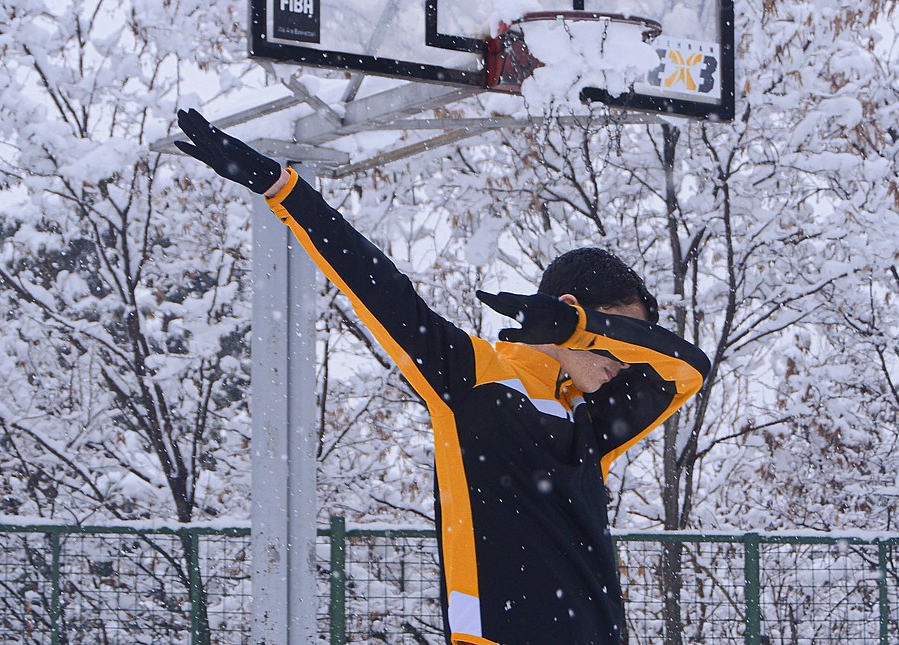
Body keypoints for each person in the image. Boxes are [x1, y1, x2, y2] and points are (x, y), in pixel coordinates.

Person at [176, 108, 711, 645]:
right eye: (617, 337)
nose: (626, 360)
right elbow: (375, 282)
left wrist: (579, 329)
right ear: (571, 305)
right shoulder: (473, 376)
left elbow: (689, 370)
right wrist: (280, 188)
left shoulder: (590, 417)